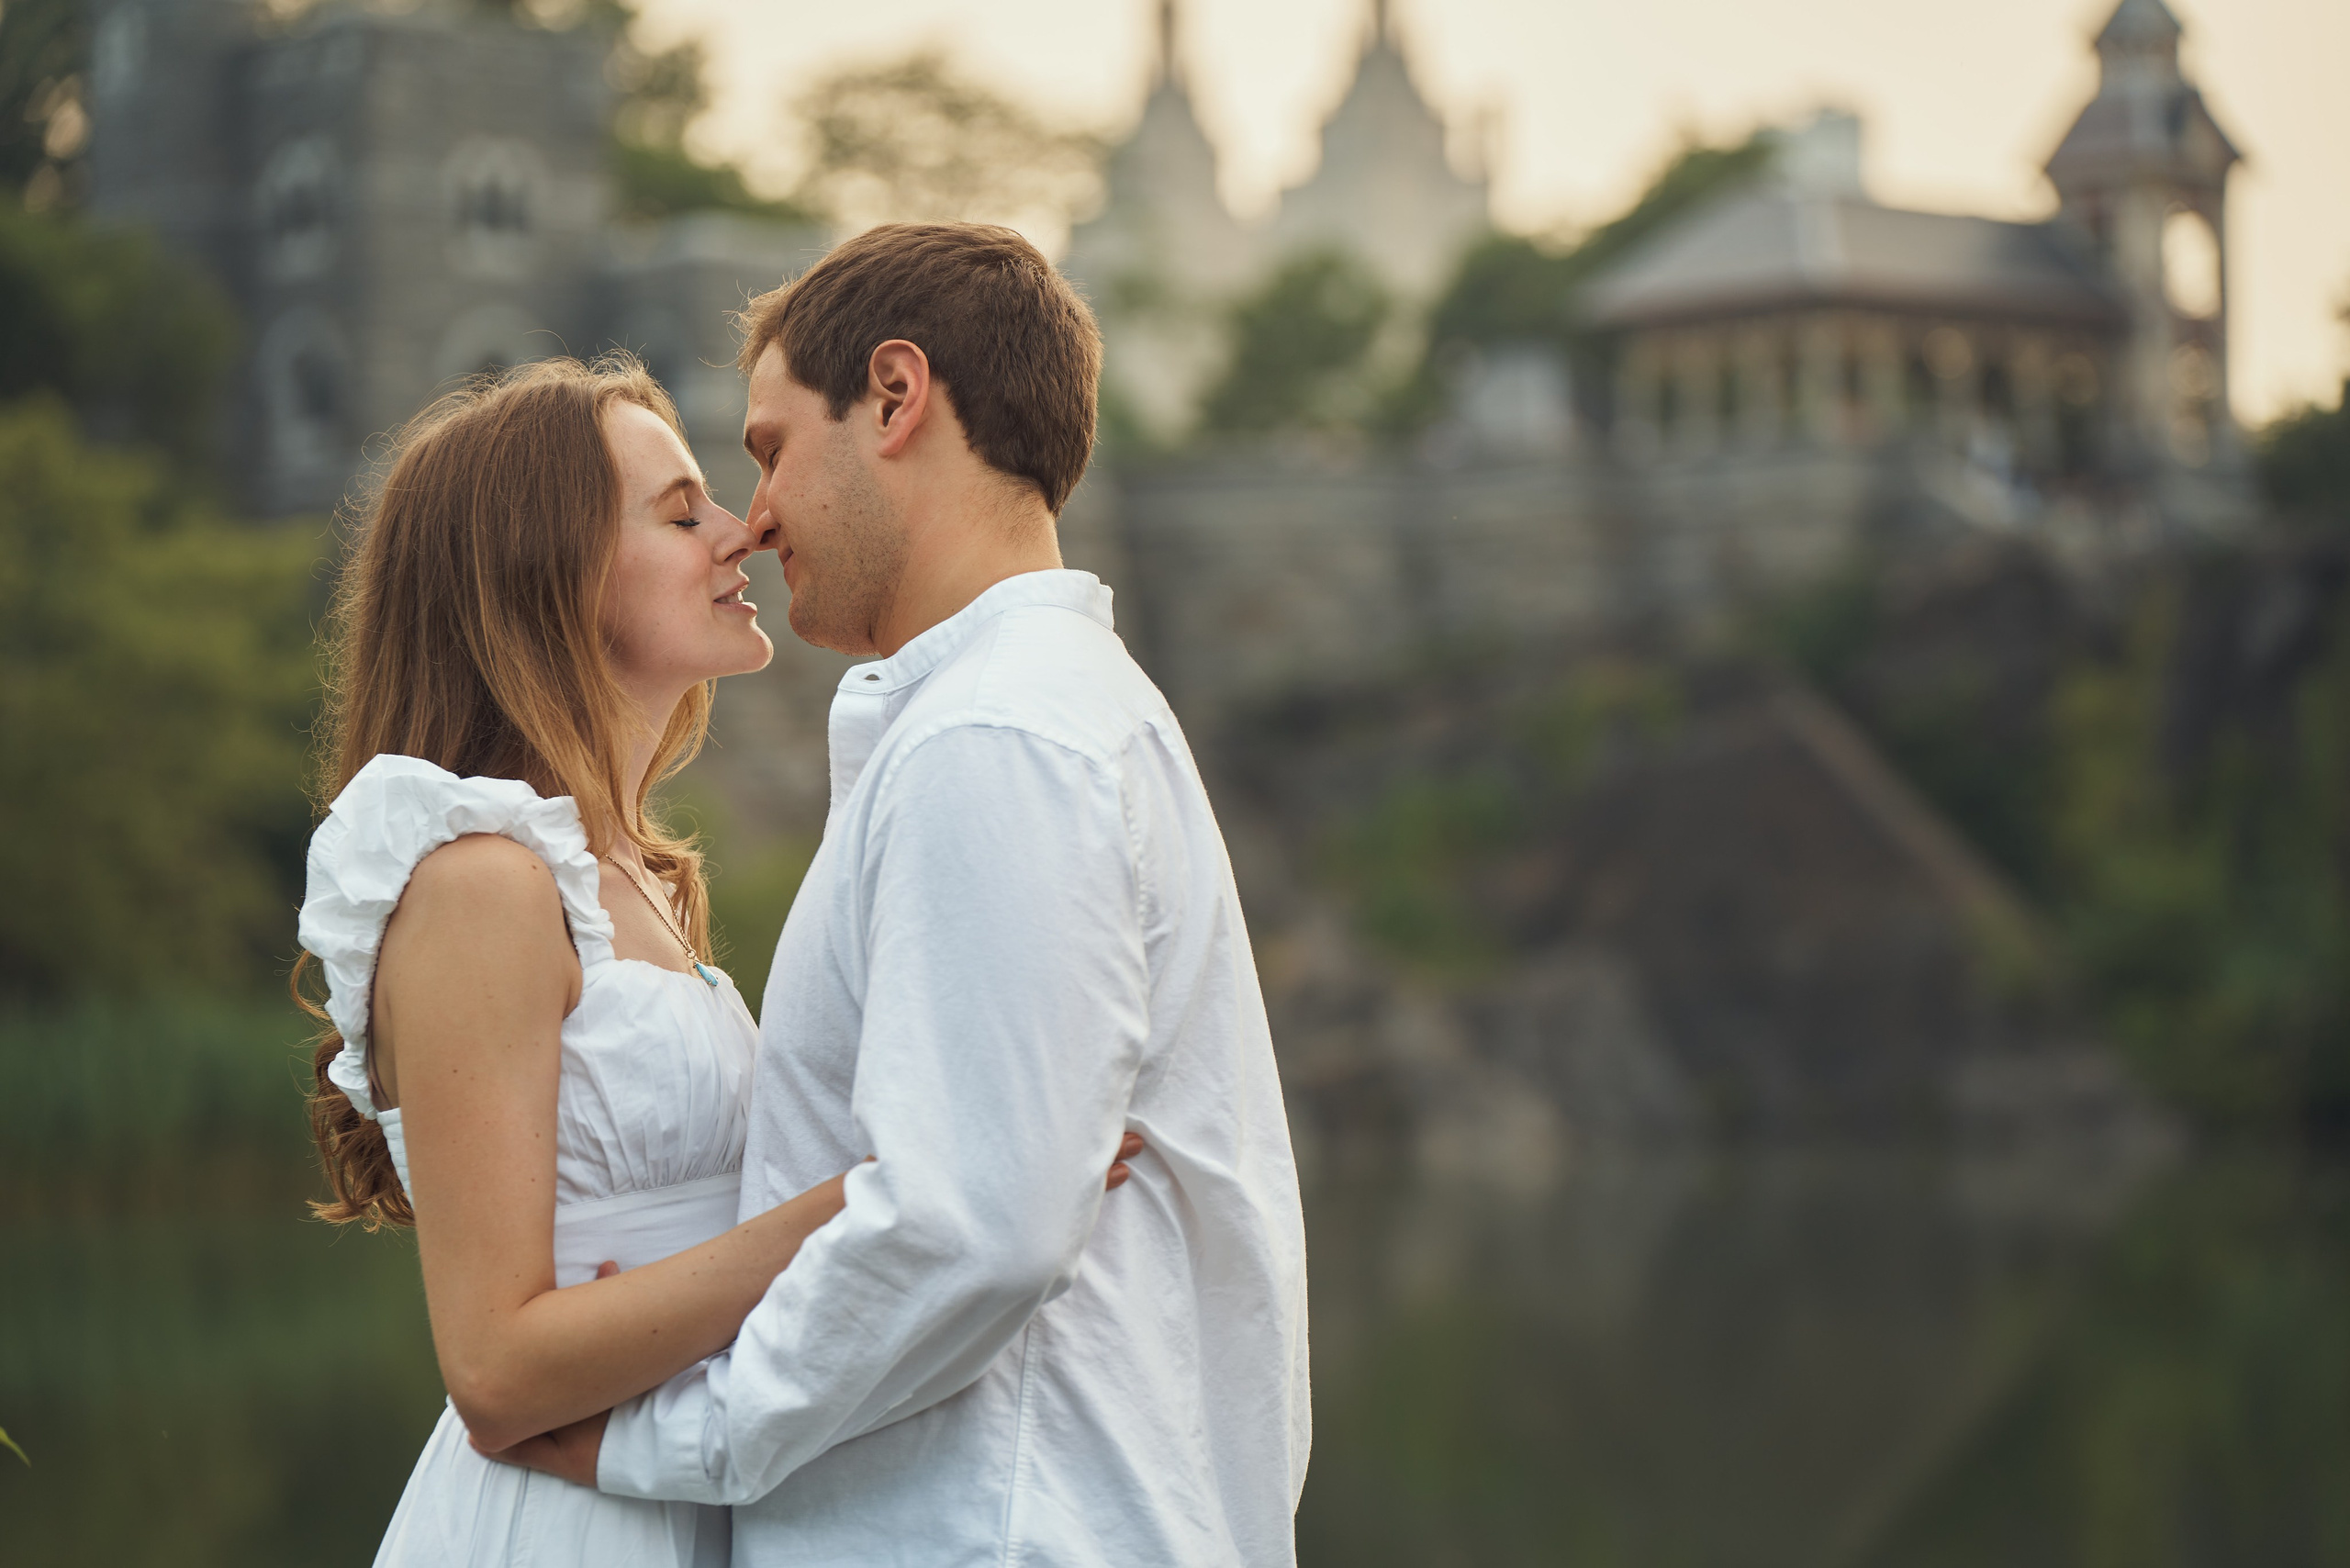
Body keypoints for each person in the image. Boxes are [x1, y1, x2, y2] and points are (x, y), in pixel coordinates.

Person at [495, 224, 1313, 1564]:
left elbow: (970, 1226)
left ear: (893, 395)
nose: (752, 518)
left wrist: (663, 1441)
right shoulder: (1036, 720)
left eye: (767, 450)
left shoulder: (995, 740)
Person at [293, 355, 1144, 1568]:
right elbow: (494, 1367)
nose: (743, 530)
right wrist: (883, 1198)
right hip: (569, 1526)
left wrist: (1013, 1129)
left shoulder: (637, 875)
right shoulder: (479, 880)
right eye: (681, 511)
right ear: (550, 566)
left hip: (699, 1484)